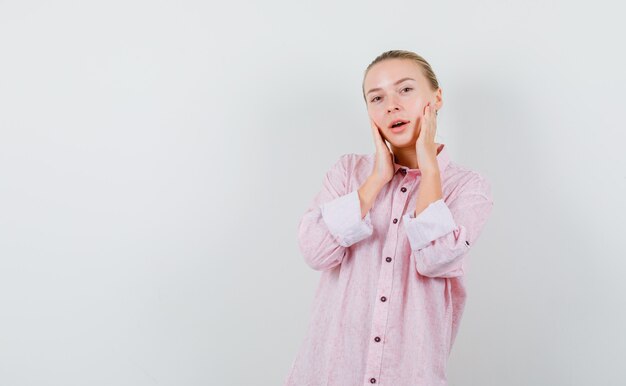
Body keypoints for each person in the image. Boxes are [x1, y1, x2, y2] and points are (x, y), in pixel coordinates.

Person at [283, 50, 494, 386]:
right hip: (329, 373)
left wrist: (429, 169)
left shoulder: (468, 187)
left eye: (405, 90)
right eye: (376, 97)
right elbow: (315, 251)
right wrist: (376, 179)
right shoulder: (347, 172)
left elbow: (436, 258)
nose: (391, 105)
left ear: (436, 98)